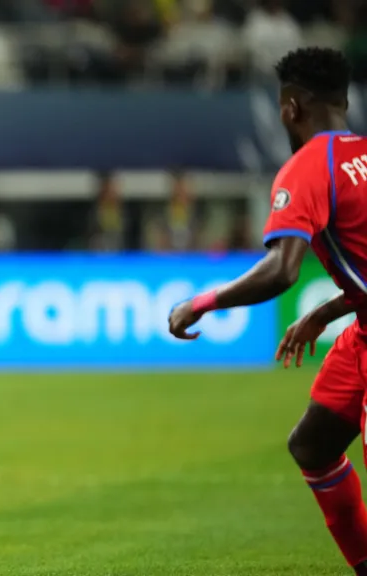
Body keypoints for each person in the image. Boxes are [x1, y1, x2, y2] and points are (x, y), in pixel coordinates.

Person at [169, 47, 367, 575]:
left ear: (290, 108)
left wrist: (202, 303)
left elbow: (282, 270)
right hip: (360, 331)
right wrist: (327, 312)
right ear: (344, 102)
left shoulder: (308, 168)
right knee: (313, 445)